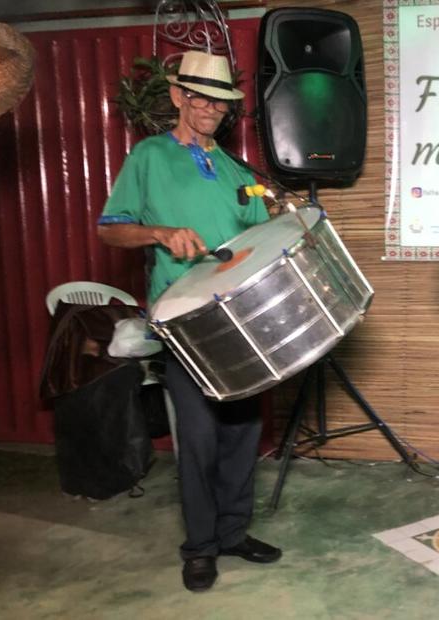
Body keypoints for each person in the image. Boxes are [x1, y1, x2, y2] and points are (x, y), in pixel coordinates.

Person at [97, 51, 281, 592]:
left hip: (237, 320)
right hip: (180, 322)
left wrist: (277, 225)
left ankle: (232, 532)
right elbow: (111, 229)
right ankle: (200, 546)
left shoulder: (232, 167)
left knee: (243, 431)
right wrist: (160, 233)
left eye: (222, 103)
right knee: (199, 436)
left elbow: (252, 236)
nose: (212, 111)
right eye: (201, 99)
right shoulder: (149, 157)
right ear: (178, 97)